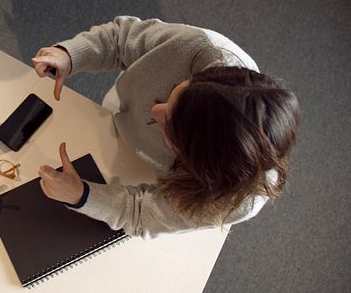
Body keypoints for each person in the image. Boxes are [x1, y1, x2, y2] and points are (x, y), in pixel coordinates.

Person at [32, 16, 299, 238]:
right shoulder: (204, 50)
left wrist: (82, 195)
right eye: (173, 93)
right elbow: (121, 38)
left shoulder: (236, 201)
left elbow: (141, 214)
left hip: (159, 183)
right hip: (115, 127)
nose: (154, 110)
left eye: (170, 127)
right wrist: (72, 55)